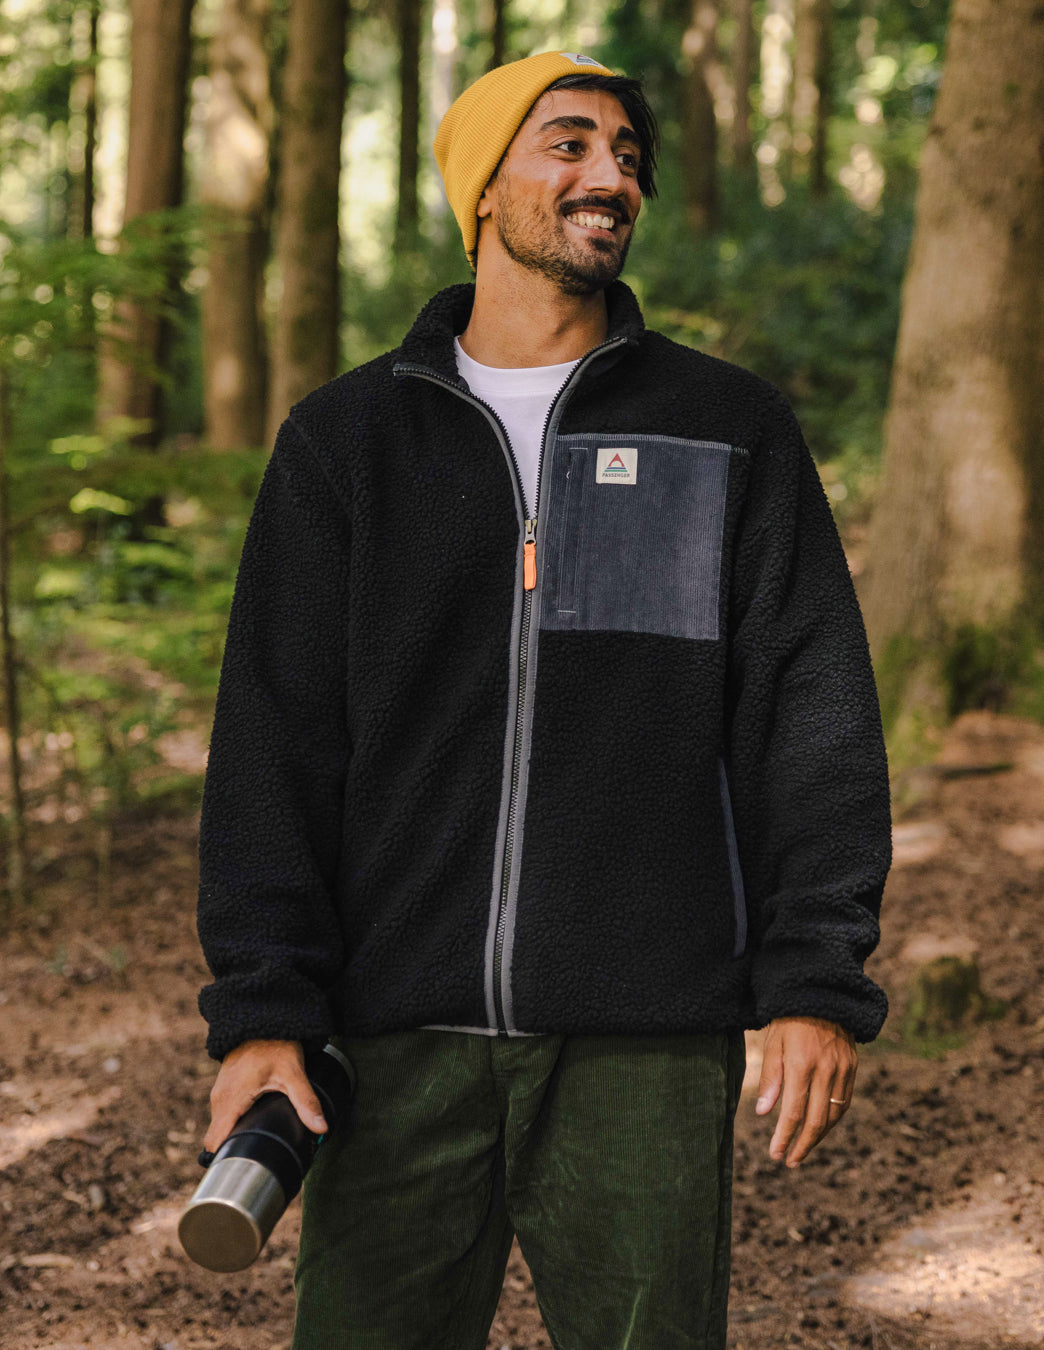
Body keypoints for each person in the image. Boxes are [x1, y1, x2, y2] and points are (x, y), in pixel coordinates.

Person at [196, 50, 892, 1350]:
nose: (607, 175)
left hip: (646, 1040)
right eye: (567, 144)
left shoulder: (725, 426)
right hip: (391, 1039)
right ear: (482, 186)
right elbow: (273, 747)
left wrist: (814, 976)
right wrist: (263, 1010)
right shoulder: (347, 442)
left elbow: (811, 714)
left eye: (627, 155)